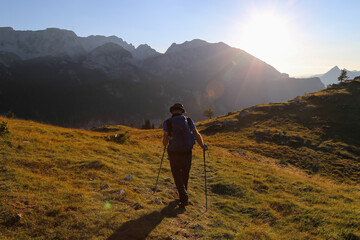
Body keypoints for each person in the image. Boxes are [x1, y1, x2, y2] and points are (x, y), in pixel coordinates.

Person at [162, 103, 207, 208]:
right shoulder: (189, 120)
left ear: (172, 111)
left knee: (177, 175)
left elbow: (165, 139)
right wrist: (202, 145)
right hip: (187, 153)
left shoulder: (167, 122)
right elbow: (196, 134)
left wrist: (165, 144)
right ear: (182, 111)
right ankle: (184, 193)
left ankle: (183, 198)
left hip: (174, 154)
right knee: (185, 174)